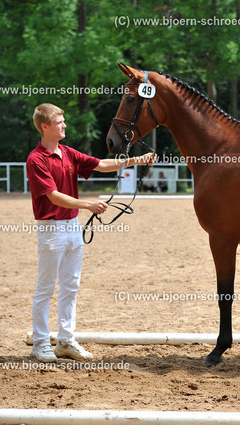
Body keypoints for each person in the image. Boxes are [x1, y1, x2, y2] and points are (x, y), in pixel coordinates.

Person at [26, 103, 155, 362]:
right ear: (44, 126)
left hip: (73, 226)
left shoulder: (68, 153)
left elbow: (101, 164)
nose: (64, 125)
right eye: (59, 122)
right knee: (46, 287)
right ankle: (40, 342)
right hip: (52, 228)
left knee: (71, 286)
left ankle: (65, 340)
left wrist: (136, 161)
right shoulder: (36, 159)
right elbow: (53, 196)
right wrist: (88, 205)